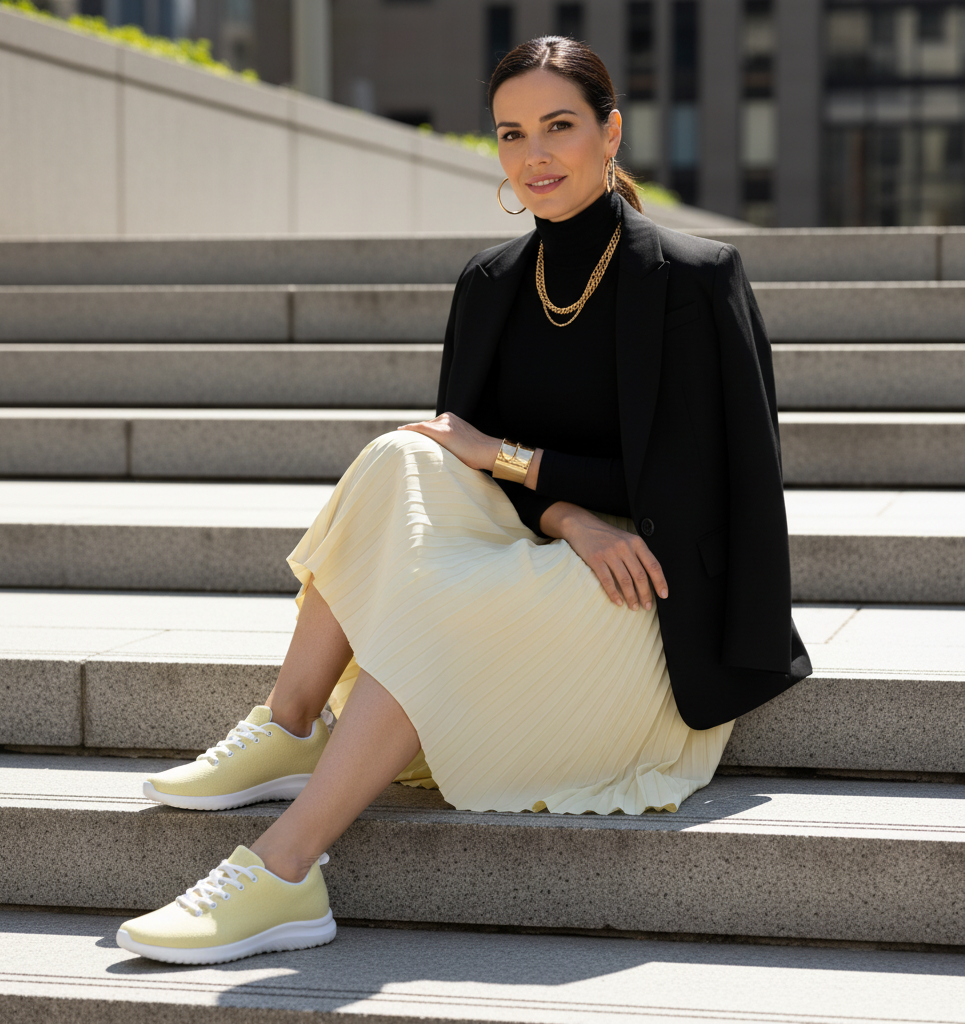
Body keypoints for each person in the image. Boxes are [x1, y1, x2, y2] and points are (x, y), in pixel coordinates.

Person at [115, 35, 810, 966]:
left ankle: (284, 871)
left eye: (560, 127)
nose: (535, 155)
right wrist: (561, 509)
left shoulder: (691, 277)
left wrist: (516, 464)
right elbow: (464, 461)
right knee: (402, 452)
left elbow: (697, 484)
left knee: (442, 596)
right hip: (567, 544)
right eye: (511, 133)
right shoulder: (489, 284)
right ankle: (289, 725)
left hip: (646, 593)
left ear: (610, 134)